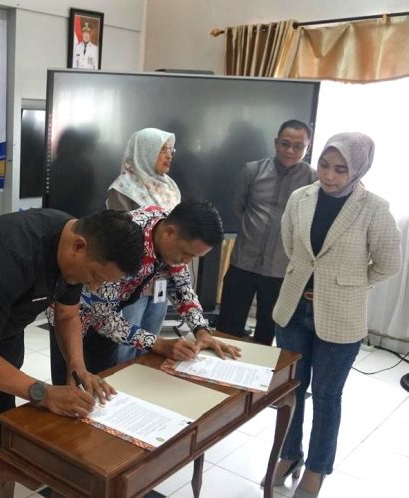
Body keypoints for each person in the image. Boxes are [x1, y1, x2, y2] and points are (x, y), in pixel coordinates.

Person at [0, 208, 143, 497]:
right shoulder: (10, 255)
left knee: (1, 425)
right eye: (96, 275)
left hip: (5, 329)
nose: (95, 285)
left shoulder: (73, 248)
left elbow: (67, 315)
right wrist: (43, 393)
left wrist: (77, 366)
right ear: (78, 246)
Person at [270, 132, 401, 497]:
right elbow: (292, 245)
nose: (328, 176)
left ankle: (317, 467)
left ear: (358, 169)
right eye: (324, 165)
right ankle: (289, 454)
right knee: (291, 389)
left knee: (327, 396)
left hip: (341, 315)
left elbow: (389, 263)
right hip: (294, 307)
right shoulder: (301, 197)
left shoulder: (375, 207)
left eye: (340, 169)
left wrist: (349, 283)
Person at [49, 201, 241, 385]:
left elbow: (181, 286)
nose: (186, 261)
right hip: (70, 318)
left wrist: (201, 330)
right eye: (186, 254)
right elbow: (103, 318)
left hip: (109, 318)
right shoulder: (124, 243)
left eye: (194, 257)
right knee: (70, 387)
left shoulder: (169, 231)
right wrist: (159, 344)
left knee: (104, 383)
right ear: (169, 233)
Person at [218, 120, 316, 345]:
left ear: (307, 147)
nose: (290, 151)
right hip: (243, 263)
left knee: (267, 332)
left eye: (298, 146)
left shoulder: (313, 181)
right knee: (228, 328)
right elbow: (238, 207)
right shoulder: (252, 171)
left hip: (281, 270)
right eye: (285, 144)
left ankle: (255, 367)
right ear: (275, 142)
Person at [107, 128, 181, 363]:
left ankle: (143, 380)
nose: (168, 156)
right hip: (133, 280)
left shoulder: (170, 187)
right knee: (127, 342)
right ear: (145, 152)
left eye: (170, 150)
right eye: (162, 150)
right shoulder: (123, 189)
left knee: (152, 341)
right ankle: (121, 381)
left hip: (162, 278)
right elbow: (125, 239)